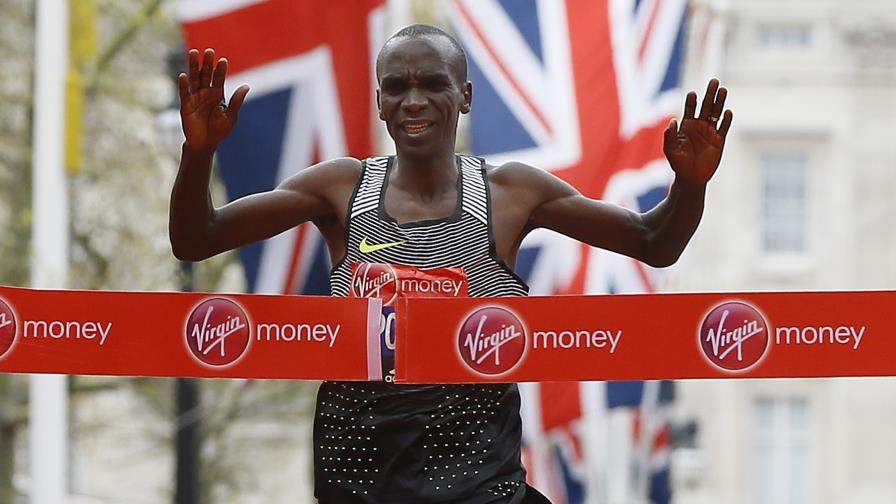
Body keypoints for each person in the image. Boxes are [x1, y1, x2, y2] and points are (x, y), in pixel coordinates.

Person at [169, 24, 732, 504]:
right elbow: (196, 238)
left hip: (480, 486)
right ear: (380, 102)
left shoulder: (510, 193)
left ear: (464, 96)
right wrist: (199, 153)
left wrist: (689, 185)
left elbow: (653, 242)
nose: (413, 101)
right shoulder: (340, 188)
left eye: (432, 84)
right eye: (396, 88)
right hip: (360, 483)